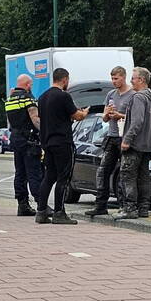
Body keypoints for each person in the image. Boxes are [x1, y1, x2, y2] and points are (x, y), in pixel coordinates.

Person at [35, 68, 89, 225]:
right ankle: (59, 212)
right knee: (63, 177)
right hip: (62, 142)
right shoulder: (63, 96)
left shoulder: (42, 97)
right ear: (64, 79)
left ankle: (41, 211)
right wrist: (84, 113)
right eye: (68, 80)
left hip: (47, 142)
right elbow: (76, 115)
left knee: (49, 176)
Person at [85, 66, 133, 217]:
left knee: (125, 172)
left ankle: (126, 205)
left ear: (124, 77)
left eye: (116, 78)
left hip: (124, 136)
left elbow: (134, 118)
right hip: (112, 136)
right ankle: (100, 205)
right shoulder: (111, 94)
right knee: (103, 170)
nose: (114, 81)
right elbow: (105, 118)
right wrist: (107, 114)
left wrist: (119, 115)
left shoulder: (132, 95)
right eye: (112, 78)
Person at [113, 66, 151, 221]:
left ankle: (130, 207)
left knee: (128, 175)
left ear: (141, 80)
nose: (131, 81)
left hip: (136, 144)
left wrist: (127, 139)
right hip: (148, 143)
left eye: (133, 78)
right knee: (144, 176)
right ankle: (143, 208)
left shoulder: (138, 97)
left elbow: (137, 121)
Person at [4, 73, 42, 216]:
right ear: (27, 85)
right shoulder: (28, 97)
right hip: (29, 140)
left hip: (16, 139)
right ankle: (41, 205)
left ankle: (22, 204)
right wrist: (44, 131)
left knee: (20, 173)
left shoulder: (10, 99)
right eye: (30, 85)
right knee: (34, 173)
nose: (31, 87)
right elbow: (34, 118)